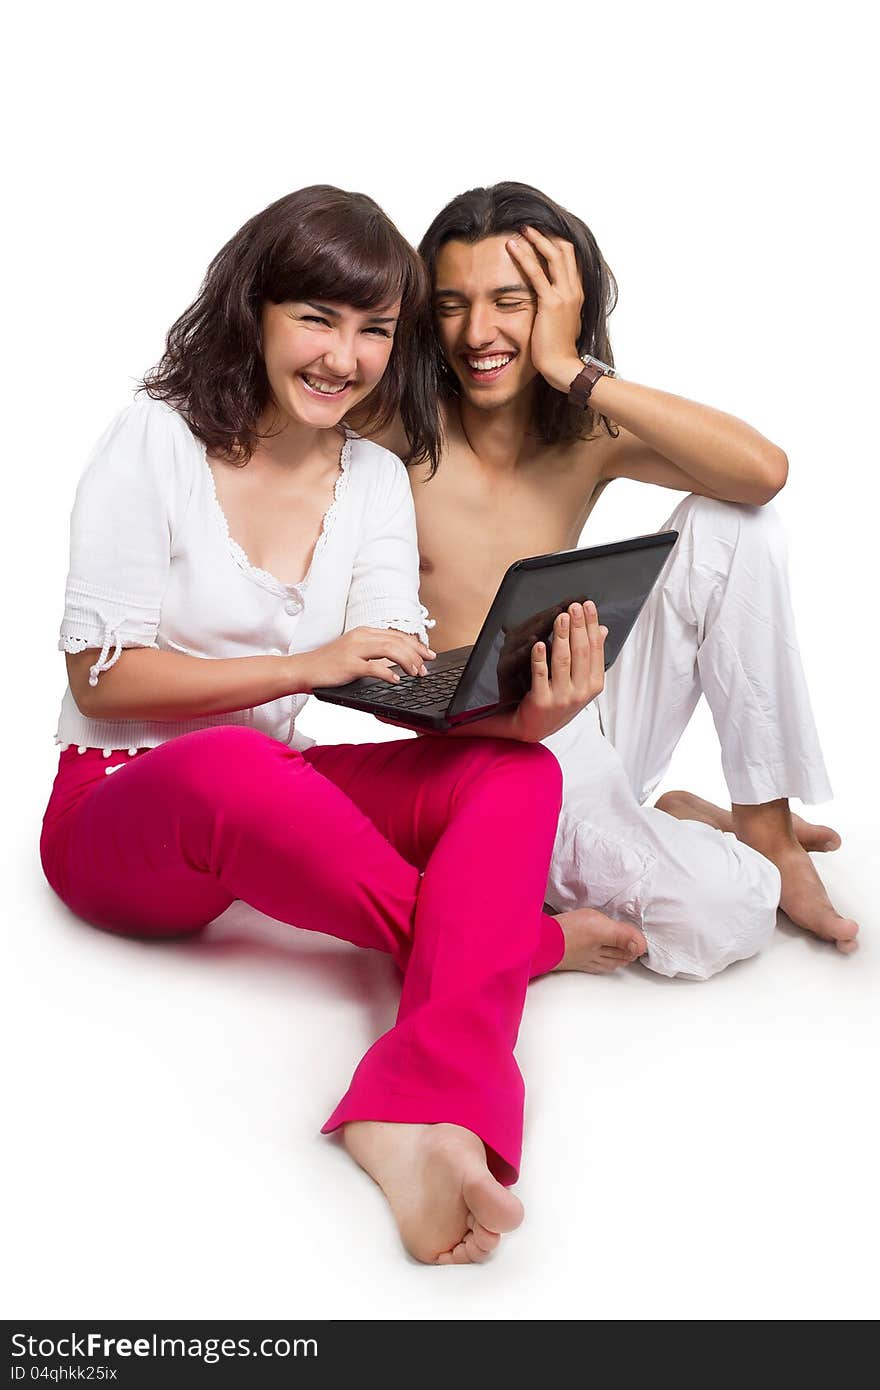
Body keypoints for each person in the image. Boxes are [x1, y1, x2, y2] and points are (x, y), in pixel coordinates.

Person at [39, 186, 609, 1265]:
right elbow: (105, 680)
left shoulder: (375, 479)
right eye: (317, 318)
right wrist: (303, 663)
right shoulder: (153, 438)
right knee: (234, 768)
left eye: (374, 330)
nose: (343, 356)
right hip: (117, 809)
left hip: (271, 785)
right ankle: (515, 943)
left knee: (520, 780)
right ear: (253, 311)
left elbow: (383, 664)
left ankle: (414, 1113)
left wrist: (523, 716)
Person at [362, 180, 858, 980]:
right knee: (720, 916)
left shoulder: (581, 429)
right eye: (452, 303)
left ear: (560, 306)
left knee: (736, 525)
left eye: (510, 301)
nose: (478, 332)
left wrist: (571, 368)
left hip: (587, 708)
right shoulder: (390, 427)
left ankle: (762, 824)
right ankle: (677, 825)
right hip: (494, 760)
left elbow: (762, 473)